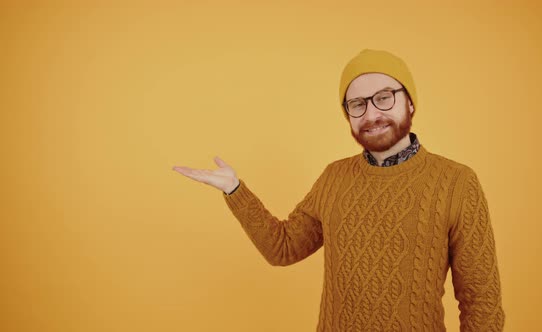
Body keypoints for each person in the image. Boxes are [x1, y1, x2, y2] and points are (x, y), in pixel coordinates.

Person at [173, 49, 505, 331]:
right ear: (347, 114)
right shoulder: (335, 178)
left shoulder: (457, 183)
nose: (372, 113)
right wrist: (235, 190)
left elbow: (482, 301)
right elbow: (283, 248)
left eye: (384, 97)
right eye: (357, 104)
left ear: (411, 102)